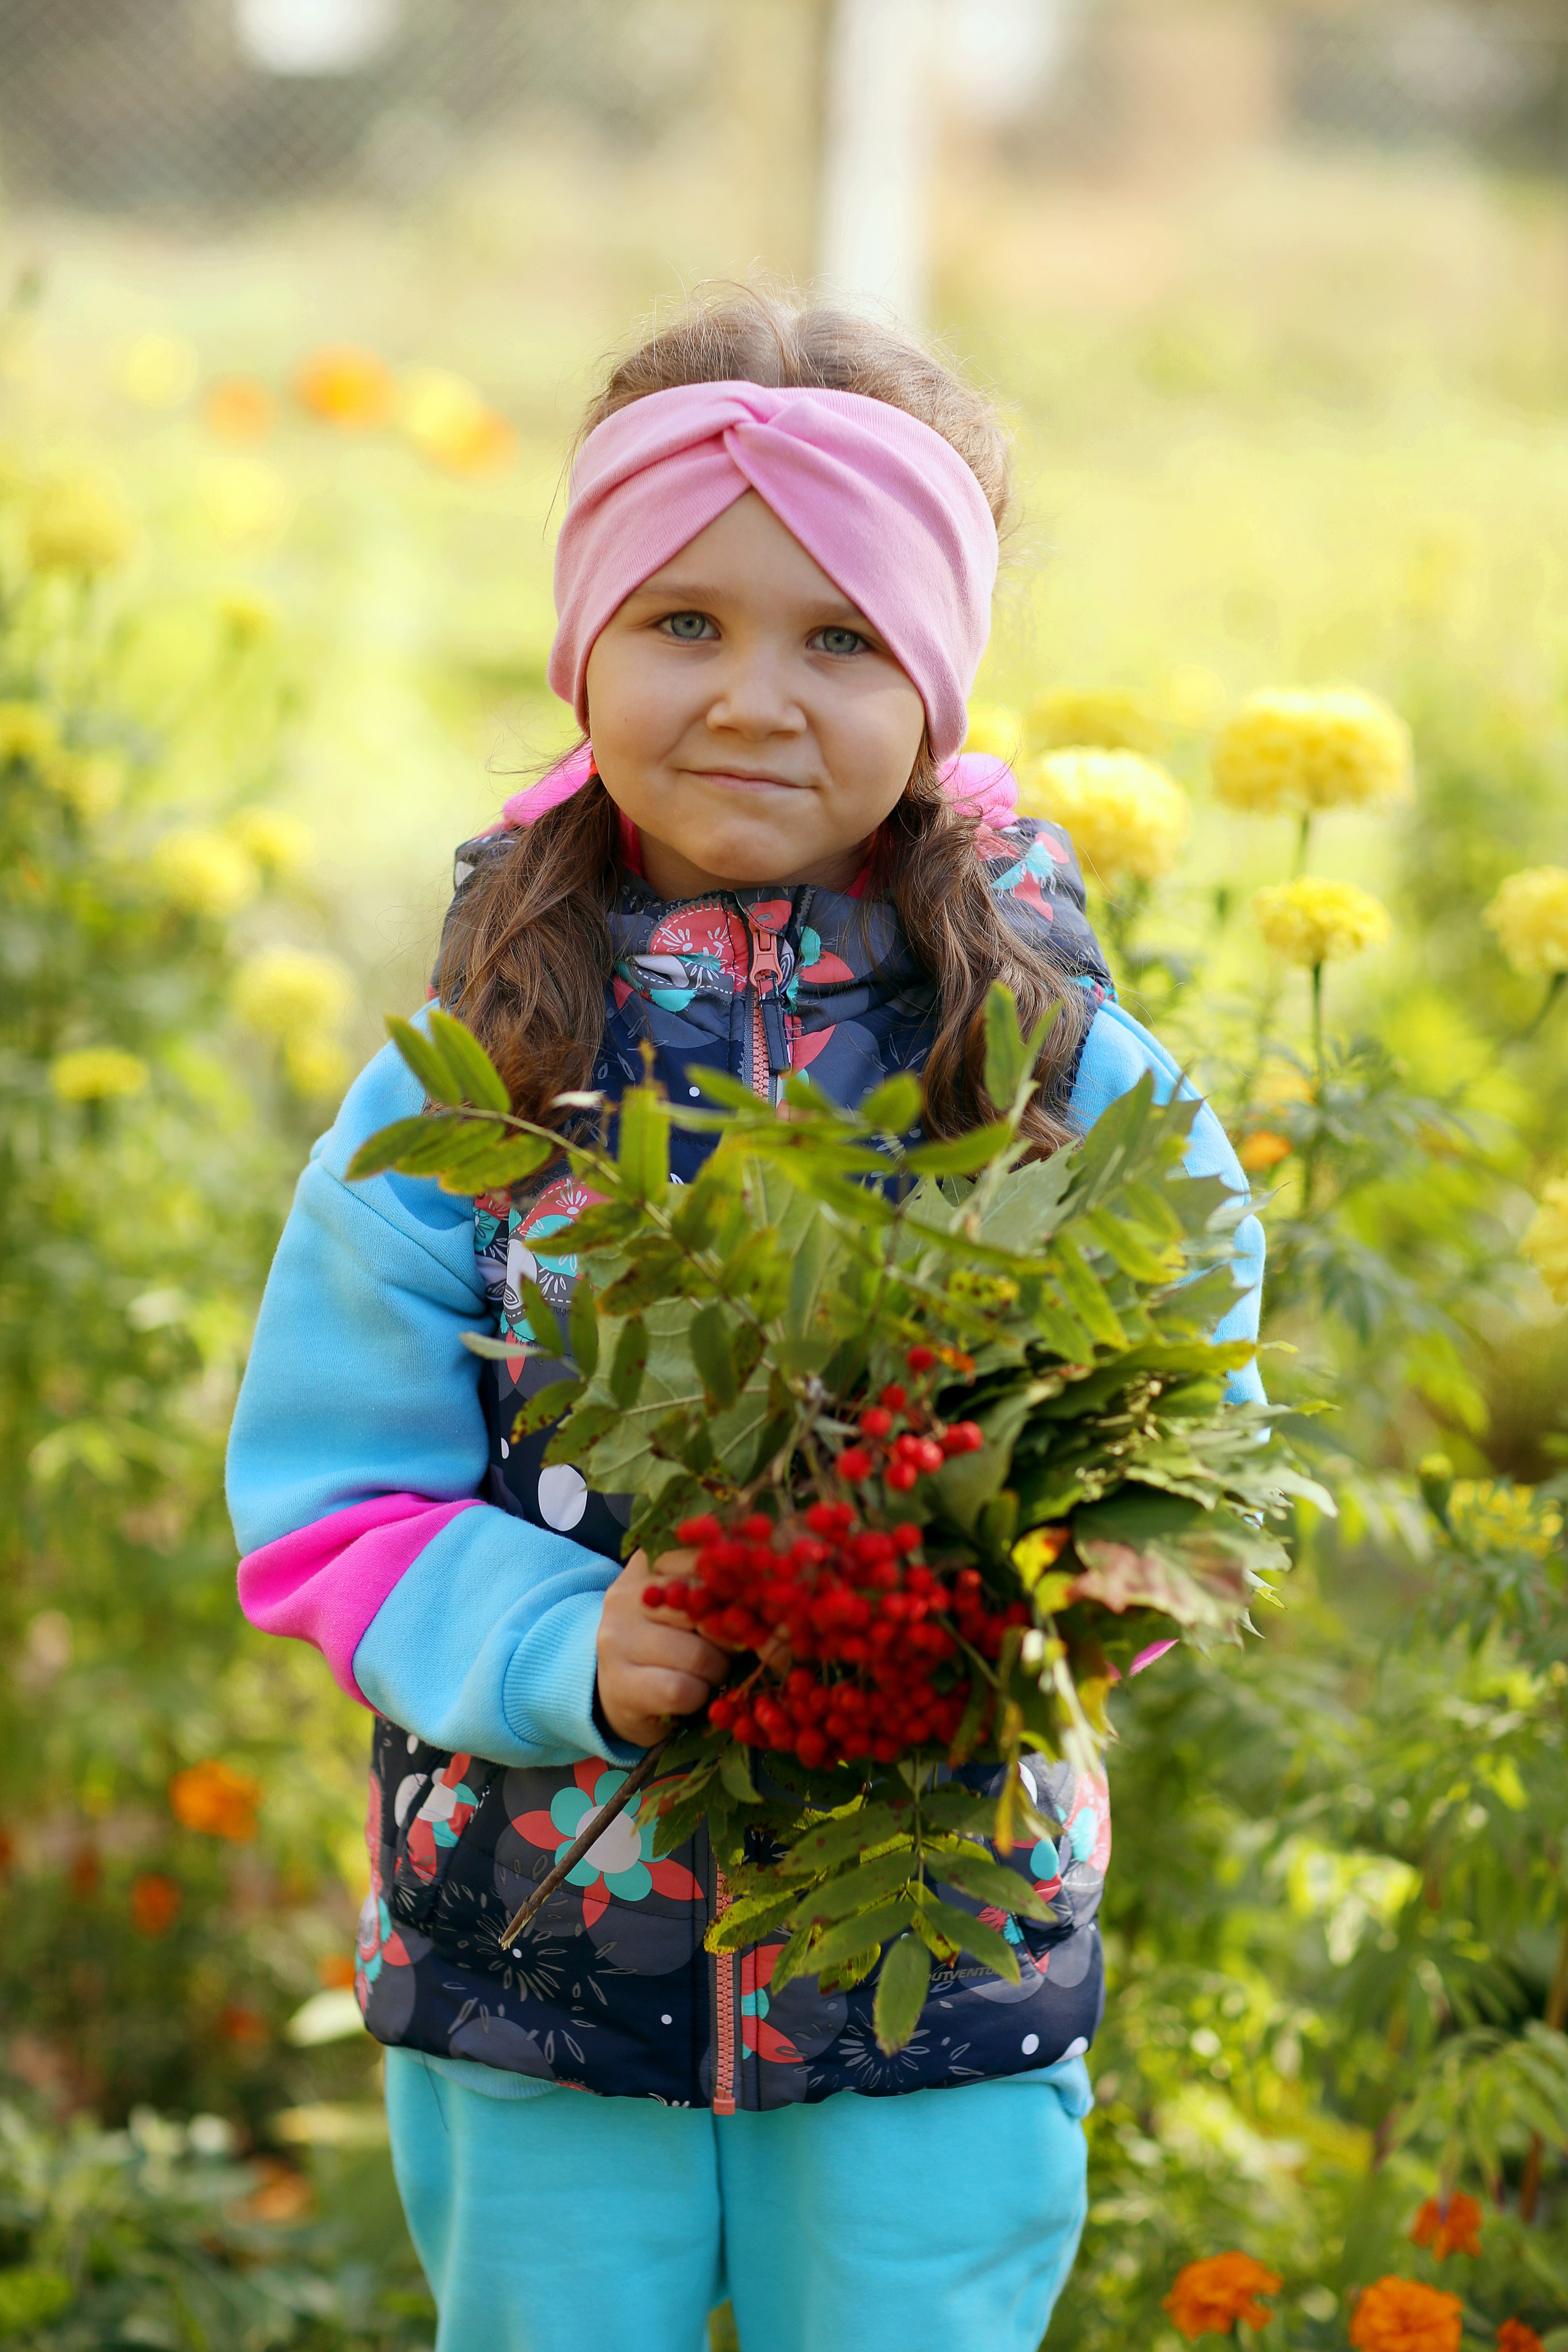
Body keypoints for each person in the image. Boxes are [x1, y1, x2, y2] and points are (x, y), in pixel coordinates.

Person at [227, 291, 1264, 2352]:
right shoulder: (477, 1075)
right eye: (683, 623)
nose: (753, 698)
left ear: (940, 679)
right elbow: (328, 1498)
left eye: (840, 638)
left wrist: (1013, 1598)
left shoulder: (1072, 1077)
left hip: (933, 1931)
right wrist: (561, 1648)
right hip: (536, 1940)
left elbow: (1187, 1461)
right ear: (584, 644)